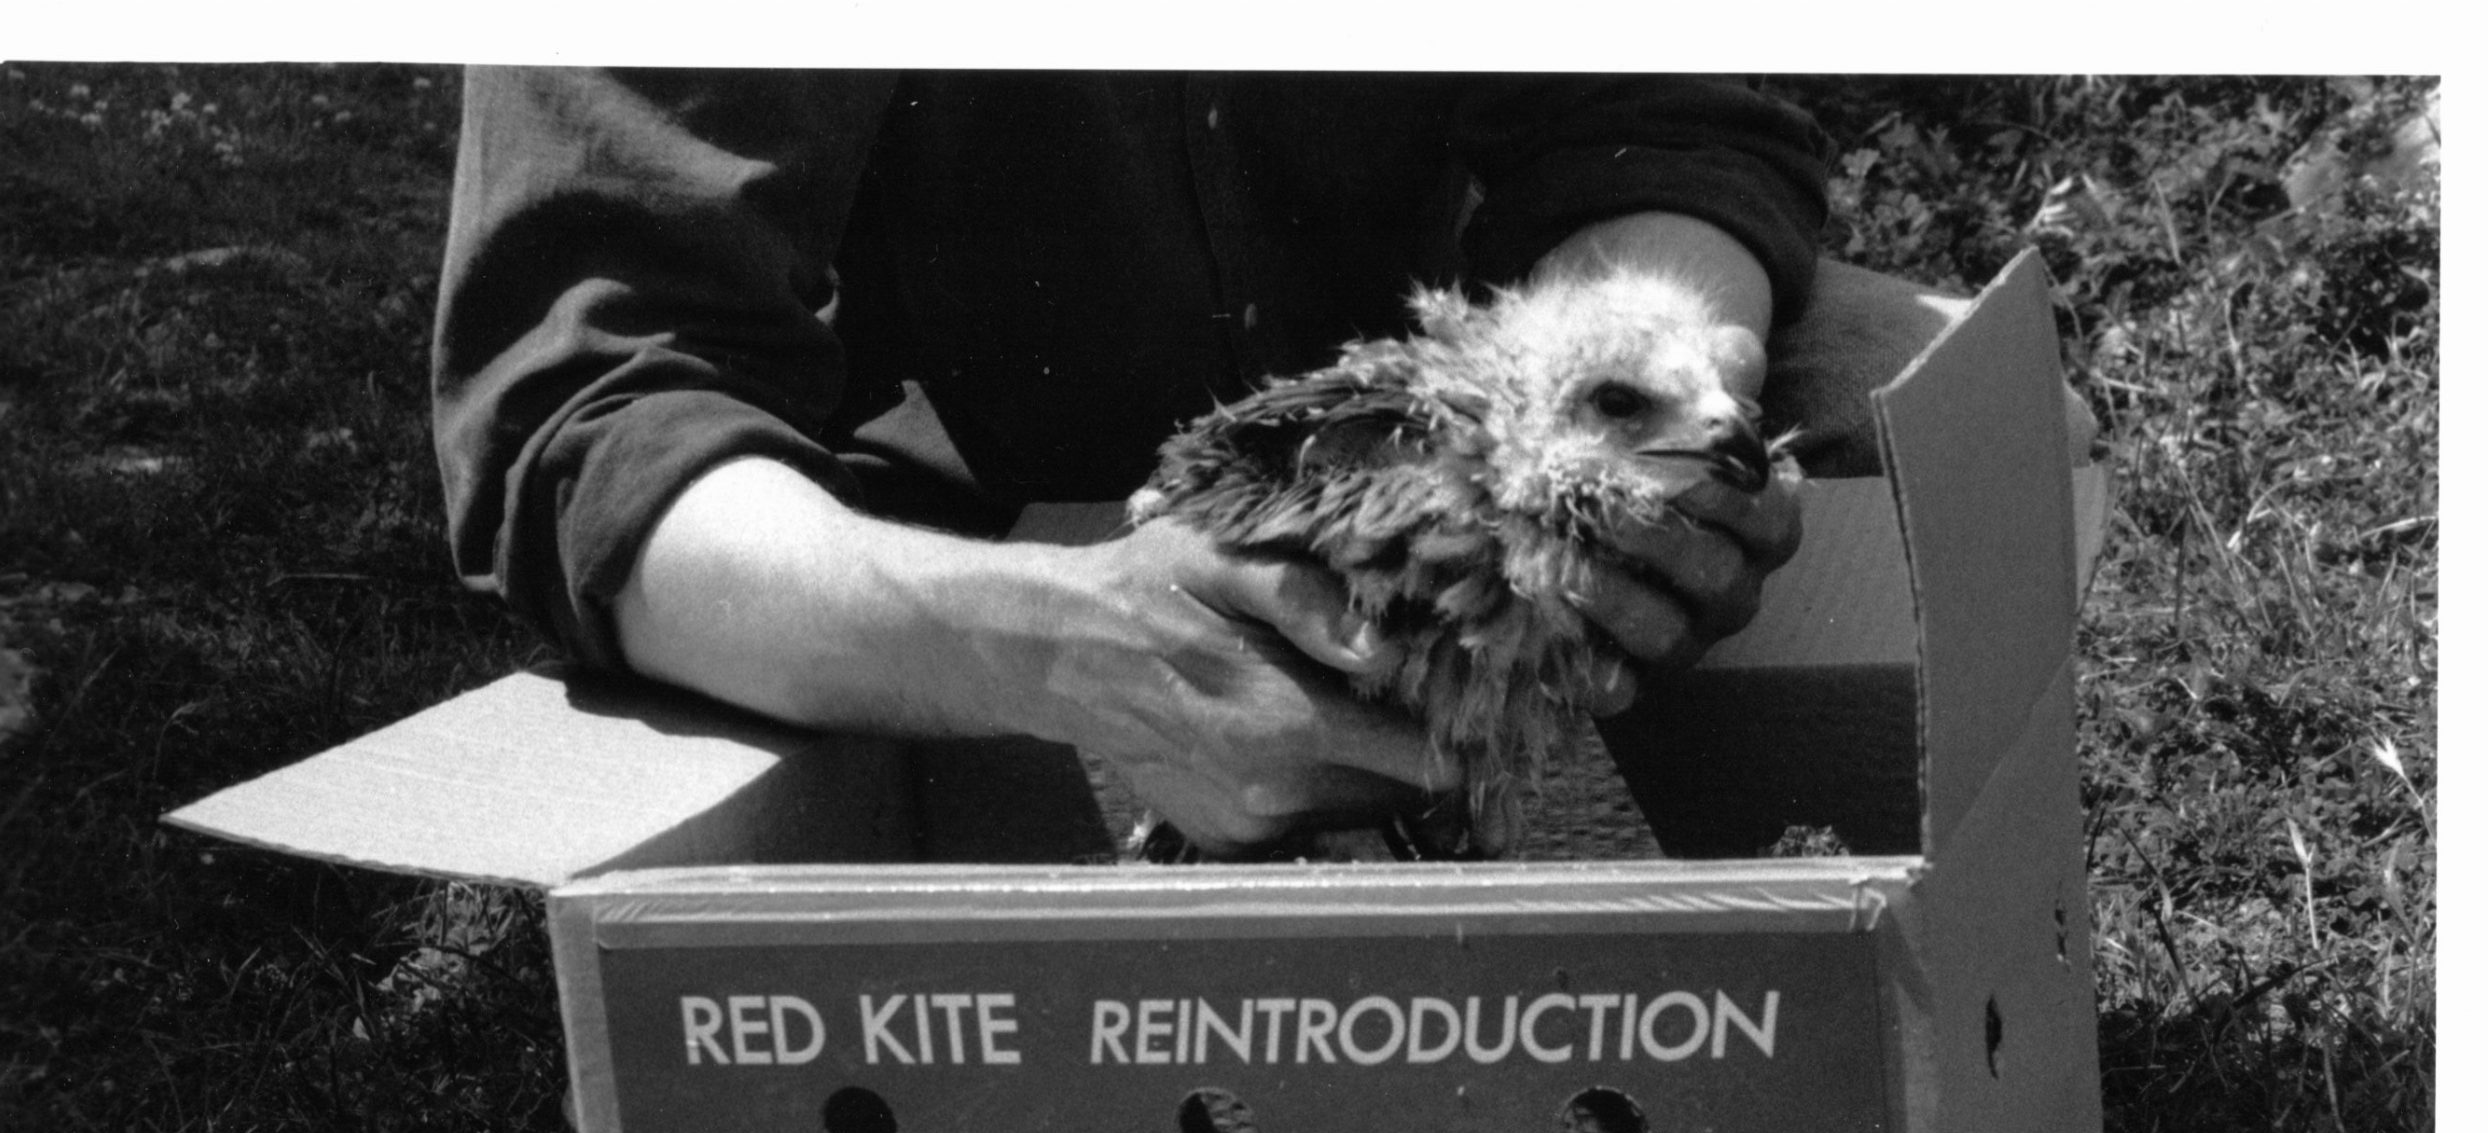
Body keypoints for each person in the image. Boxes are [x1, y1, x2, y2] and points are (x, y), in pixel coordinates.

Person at [431, 70, 1976, 856]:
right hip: (967, 514)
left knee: (1927, 401)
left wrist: (1639, 378)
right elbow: (597, 413)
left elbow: (1658, 122)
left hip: (1458, 408)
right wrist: (1068, 645)